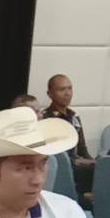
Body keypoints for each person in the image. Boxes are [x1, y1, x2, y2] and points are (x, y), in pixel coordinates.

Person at [41, 74, 94, 202]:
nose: (67, 93)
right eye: (61, 89)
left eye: (70, 88)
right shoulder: (46, 118)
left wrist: (91, 161)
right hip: (62, 166)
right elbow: (52, 153)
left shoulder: (74, 116)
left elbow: (82, 149)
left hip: (79, 165)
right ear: (50, 94)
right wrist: (76, 162)